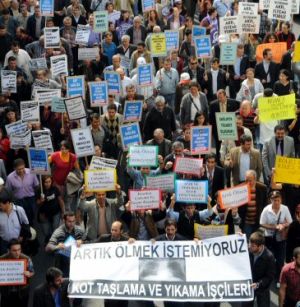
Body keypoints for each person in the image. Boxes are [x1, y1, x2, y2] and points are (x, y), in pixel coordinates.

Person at [260, 190, 293, 287]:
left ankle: (279, 278)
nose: (277, 202)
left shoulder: (285, 209)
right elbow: (262, 223)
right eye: (275, 200)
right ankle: (269, 276)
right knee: (270, 259)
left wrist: (283, 226)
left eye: (278, 200)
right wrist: (274, 227)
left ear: (281, 200)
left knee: (280, 260)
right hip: (269, 238)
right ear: (271, 200)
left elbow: (289, 222)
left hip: (281, 238)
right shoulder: (266, 210)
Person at [241, 231, 276, 307]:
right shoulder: (248, 249)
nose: (249, 247)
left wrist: (258, 284)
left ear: (260, 246)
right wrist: (238, 238)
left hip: (262, 288)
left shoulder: (269, 257)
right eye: (249, 243)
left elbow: (270, 277)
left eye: (253, 246)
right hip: (249, 285)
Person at [45, 211, 84, 277]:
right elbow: (48, 247)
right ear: (64, 221)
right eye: (69, 221)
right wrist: (57, 246)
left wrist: (82, 241)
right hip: (62, 263)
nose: (72, 224)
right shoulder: (58, 232)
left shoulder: (79, 230)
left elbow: (89, 241)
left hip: (77, 261)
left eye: (73, 221)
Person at [0, 239, 34, 307]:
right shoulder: (1, 259)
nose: (17, 253)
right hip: (6, 293)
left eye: (19, 249)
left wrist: (29, 274)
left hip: (22, 293)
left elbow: (32, 271)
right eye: (14, 250)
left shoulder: (27, 259)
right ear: (8, 250)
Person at [5, 158, 39, 225]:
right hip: (19, 201)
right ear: (14, 168)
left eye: (22, 168)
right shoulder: (10, 178)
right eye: (19, 169)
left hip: (31, 199)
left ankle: (31, 228)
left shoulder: (31, 172)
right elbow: (8, 191)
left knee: (32, 215)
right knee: (21, 217)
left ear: (24, 166)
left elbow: (36, 185)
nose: (21, 171)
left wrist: (36, 197)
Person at [239, 170, 268, 239]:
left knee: (257, 241)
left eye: (250, 180)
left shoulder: (262, 188)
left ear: (255, 179)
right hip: (246, 221)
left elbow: (265, 203)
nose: (248, 183)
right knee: (247, 241)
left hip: (258, 222)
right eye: (246, 180)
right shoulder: (240, 188)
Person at [36, 175, 65, 244]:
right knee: (46, 232)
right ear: (42, 182)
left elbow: (60, 200)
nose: (48, 183)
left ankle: (53, 242)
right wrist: (40, 200)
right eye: (46, 182)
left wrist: (63, 212)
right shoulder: (39, 190)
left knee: (55, 229)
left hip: (55, 213)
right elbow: (37, 203)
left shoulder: (55, 188)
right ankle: (48, 239)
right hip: (44, 214)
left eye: (49, 181)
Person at [0, 188, 29, 254]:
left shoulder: (19, 210)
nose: (0, 207)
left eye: (0, 205)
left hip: (17, 244)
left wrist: (22, 236)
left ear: (7, 203)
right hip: (4, 244)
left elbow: (26, 224)